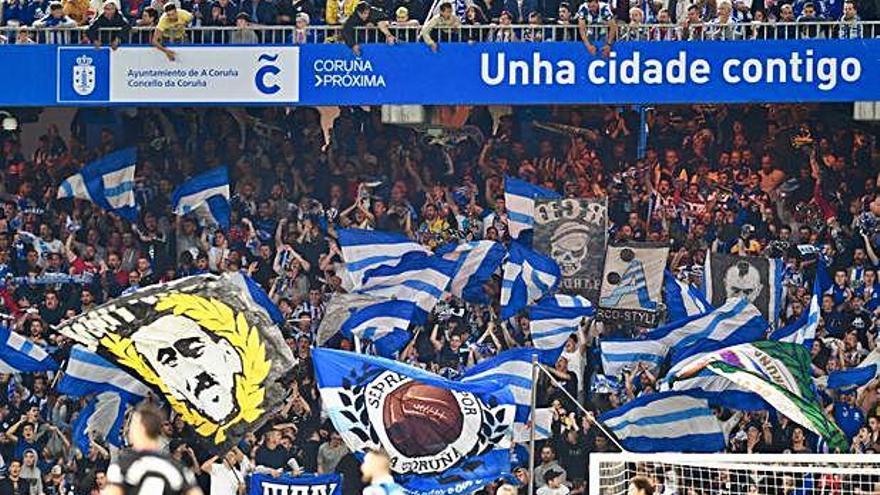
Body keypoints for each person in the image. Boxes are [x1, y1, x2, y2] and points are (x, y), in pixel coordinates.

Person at [104, 403, 202, 495]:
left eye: (132, 428)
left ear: (141, 429)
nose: (130, 432)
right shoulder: (179, 469)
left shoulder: (123, 467)